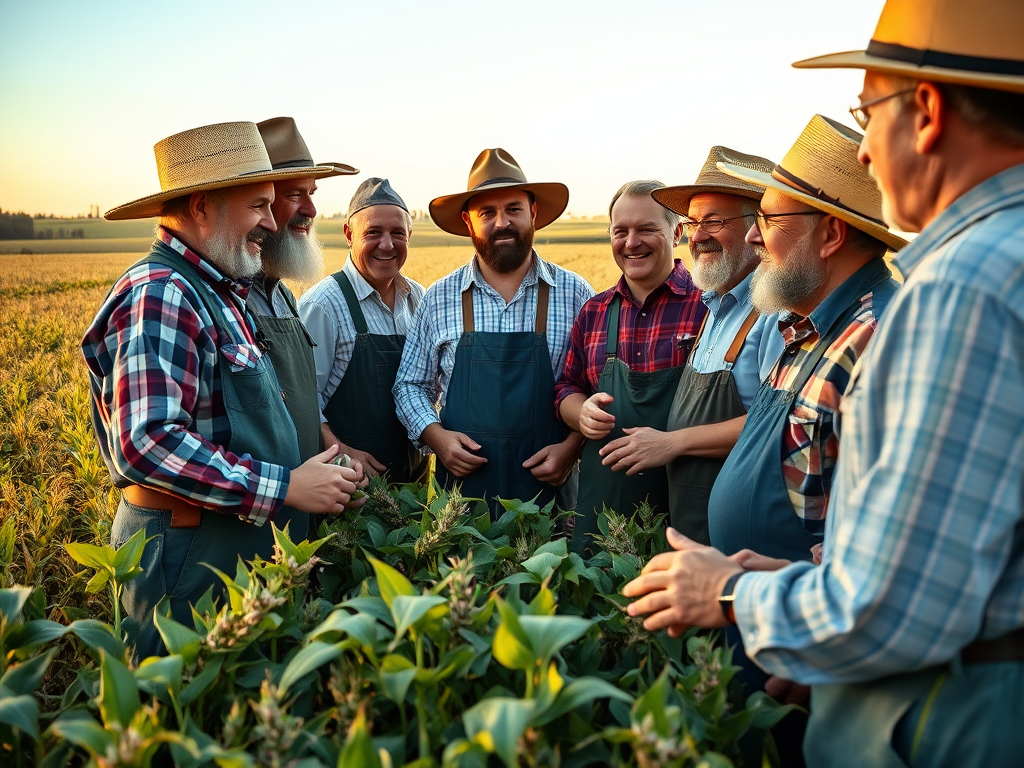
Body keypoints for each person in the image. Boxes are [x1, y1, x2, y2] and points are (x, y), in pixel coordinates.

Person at [624, 1, 1024, 765]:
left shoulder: (958, 291)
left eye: (867, 112)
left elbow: (893, 608)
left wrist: (732, 594)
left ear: (929, 111)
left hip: (944, 711)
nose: (868, 151)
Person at [82, 122, 364, 659]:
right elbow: (148, 443)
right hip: (188, 560)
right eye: (258, 204)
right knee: (187, 717)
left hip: (233, 547)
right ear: (203, 205)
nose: (271, 219)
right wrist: (282, 489)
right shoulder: (161, 293)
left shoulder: (219, 289)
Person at [595, 147, 785, 545]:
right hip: (692, 529)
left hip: (744, 540)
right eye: (694, 222)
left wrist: (670, 443)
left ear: (757, 228)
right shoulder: (714, 307)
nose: (698, 236)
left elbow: (778, 425)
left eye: (713, 222)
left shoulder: (774, 312)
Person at [393, 148, 593, 516]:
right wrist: (437, 439)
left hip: (553, 495)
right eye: (488, 213)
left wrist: (572, 448)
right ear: (469, 223)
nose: (502, 222)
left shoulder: (576, 293)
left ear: (533, 214)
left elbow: (597, 390)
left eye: (513, 209)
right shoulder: (439, 297)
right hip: (462, 503)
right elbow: (409, 386)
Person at [554, 181, 706, 554]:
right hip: (602, 520)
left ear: (677, 232)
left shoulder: (710, 307)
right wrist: (582, 412)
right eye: (620, 231)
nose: (631, 242)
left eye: (647, 229)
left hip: (685, 521)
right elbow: (565, 388)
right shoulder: (594, 311)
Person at [299, 178, 429, 484]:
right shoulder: (324, 305)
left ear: (409, 234)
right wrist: (340, 450)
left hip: (415, 485)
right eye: (373, 233)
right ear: (349, 234)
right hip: (350, 485)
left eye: (398, 233)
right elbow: (300, 402)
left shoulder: (420, 299)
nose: (387, 245)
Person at [250, 116, 359, 468]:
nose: (310, 210)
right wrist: (286, 489)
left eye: (311, 194)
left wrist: (336, 458)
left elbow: (301, 404)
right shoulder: (221, 298)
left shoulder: (284, 297)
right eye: (294, 194)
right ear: (256, 201)